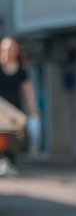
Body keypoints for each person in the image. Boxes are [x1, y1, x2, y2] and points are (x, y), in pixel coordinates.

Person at [0, 36, 40, 166]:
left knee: (11, 140)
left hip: (14, 111)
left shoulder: (21, 72)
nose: (8, 51)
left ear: (17, 51)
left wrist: (33, 109)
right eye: (6, 48)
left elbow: (28, 91)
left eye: (11, 48)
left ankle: (9, 165)